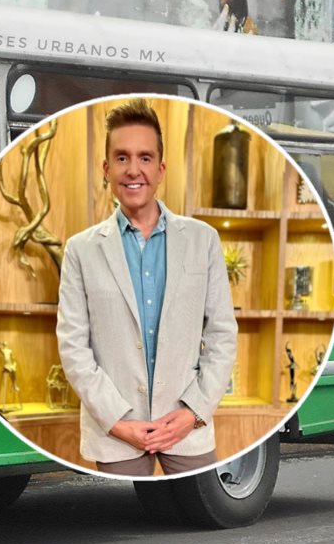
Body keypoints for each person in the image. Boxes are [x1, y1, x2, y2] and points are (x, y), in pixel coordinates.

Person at [56, 99, 238, 476]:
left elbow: (222, 334)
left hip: (187, 429)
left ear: (160, 169)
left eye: (144, 157)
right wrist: (119, 422)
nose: (133, 169)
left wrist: (193, 412)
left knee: (203, 529)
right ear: (106, 169)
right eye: (121, 158)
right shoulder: (81, 249)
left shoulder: (203, 240)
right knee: (126, 534)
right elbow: (74, 347)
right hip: (117, 434)